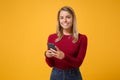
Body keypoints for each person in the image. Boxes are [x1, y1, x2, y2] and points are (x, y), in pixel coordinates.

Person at [45, 6, 88, 80]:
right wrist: (47, 56)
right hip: (56, 75)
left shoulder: (82, 38)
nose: (64, 20)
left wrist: (64, 56)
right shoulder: (51, 37)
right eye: (61, 17)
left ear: (73, 19)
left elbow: (78, 63)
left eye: (68, 17)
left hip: (74, 75)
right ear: (58, 20)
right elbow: (51, 64)